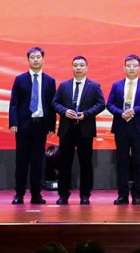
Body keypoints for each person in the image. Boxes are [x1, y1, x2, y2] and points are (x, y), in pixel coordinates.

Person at [52, 55, 106, 205]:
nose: (78, 68)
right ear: (72, 67)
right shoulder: (64, 85)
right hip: (67, 129)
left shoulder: (94, 86)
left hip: (85, 129)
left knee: (86, 163)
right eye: (75, 65)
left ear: (86, 68)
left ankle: (85, 195)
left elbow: (101, 104)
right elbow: (55, 103)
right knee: (64, 164)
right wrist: (64, 111)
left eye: (81, 65)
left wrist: (86, 114)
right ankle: (63, 195)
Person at [9, 46, 56, 205]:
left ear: (43, 59)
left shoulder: (50, 81)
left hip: (40, 126)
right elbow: (14, 103)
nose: (36, 60)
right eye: (32, 57)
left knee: (38, 162)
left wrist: (51, 126)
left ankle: (36, 195)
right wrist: (13, 123)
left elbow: (51, 105)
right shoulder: (20, 79)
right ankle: (19, 194)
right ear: (28, 60)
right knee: (21, 161)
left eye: (38, 57)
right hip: (23, 126)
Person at [106, 54, 140, 205]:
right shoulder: (117, 85)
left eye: (135, 65)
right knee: (121, 161)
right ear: (124, 68)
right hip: (121, 126)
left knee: (138, 161)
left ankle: (136, 194)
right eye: (129, 65)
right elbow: (109, 104)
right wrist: (119, 112)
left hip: (138, 126)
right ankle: (122, 194)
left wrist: (135, 110)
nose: (132, 68)